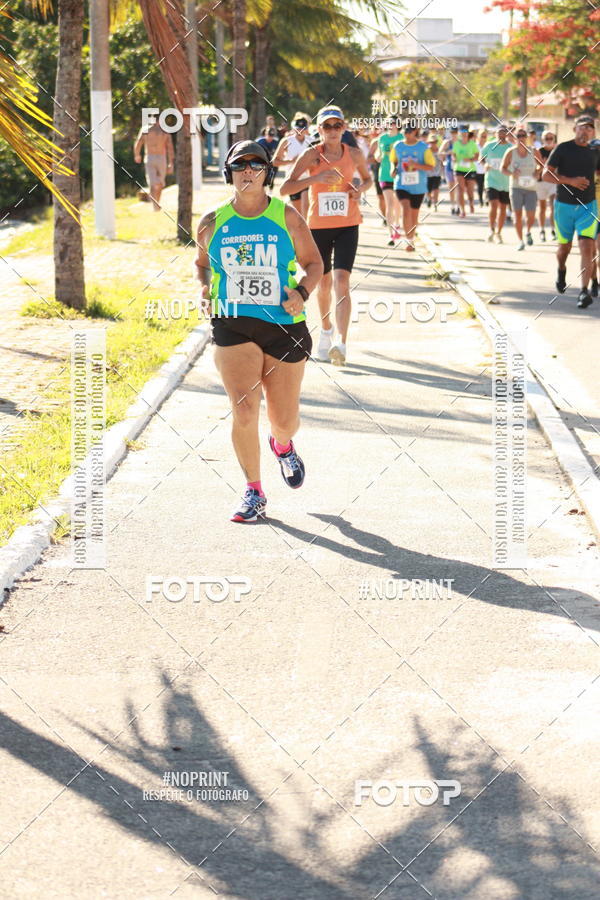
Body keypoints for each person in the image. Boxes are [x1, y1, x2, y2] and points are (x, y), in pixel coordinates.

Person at [194, 140, 323, 522]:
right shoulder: (212, 221)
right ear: (229, 173)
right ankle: (253, 491)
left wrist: (302, 293)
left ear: (268, 172)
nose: (248, 171)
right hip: (233, 322)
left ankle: (282, 445)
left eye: (256, 165)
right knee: (244, 409)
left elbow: (314, 264)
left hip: (284, 325)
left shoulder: (288, 217)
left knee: (285, 419)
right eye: (240, 165)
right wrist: (202, 287)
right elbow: (200, 263)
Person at [280, 105, 372, 366]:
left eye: (337, 126)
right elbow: (286, 188)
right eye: (327, 126)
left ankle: (341, 343)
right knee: (323, 283)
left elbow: (367, 180)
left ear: (344, 128)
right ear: (318, 130)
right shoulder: (311, 155)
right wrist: (316, 177)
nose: (332, 131)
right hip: (318, 226)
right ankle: (326, 329)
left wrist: (358, 189)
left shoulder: (354, 154)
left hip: (348, 224)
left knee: (342, 280)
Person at [543, 114, 600, 308]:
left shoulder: (596, 150)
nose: (585, 131)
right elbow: (546, 175)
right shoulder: (563, 148)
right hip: (564, 207)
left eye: (589, 128)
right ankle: (561, 269)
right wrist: (571, 181)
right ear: (575, 129)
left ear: (593, 132)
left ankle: (584, 292)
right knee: (564, 248)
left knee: (587, 247)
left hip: (588, 207)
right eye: (582, 127)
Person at [390, 123, 435, 250]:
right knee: (405, 208)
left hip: (418, 185)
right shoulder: (398, 146)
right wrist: (393, 169)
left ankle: (412, 239)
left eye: (409, 131)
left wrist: (416, 165)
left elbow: (430, 166)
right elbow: (394, 160)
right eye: (404, 130)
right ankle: (408, 240)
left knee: (414, 214)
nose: (406, 133)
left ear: (415, 131)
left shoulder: (423, 147)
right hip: (401, 184)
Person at [502, 127, 543, 250]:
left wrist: (538, 172)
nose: (521, 138)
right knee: (517, 214)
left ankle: (528, 231)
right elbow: (503, 168)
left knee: (531, 215)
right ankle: (520, 241)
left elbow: (542, 165)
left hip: (531, 187)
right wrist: (511, 174)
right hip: (516, 187)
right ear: (515, 138)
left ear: (527, 138)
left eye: (523, 135)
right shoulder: (510, 152)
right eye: (518, 136)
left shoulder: (534, 151)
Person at [271, 113, 311, 218]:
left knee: (306, 208)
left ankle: (310, 232)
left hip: (308, 179)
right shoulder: (286, 141)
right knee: (299, 216)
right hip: (293, 180)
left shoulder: (311, 141)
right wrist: (291, 161)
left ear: (306, 129)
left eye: (302, 129)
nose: (300, 131)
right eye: (298, 129)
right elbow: (275, 161)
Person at [133, 116, 174, 211]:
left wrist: (171, 163)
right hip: (150, 157)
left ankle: (156, 203)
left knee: (159, 183)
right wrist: (137, 154)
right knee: (153, 183)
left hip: (160, 157)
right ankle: (155, 205)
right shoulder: (146, 129)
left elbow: (169, 147)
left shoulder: (164, 131)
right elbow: (138, 143)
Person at [480, 124, 512, 243]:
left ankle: (499, 232)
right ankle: (491, 229)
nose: (501, 135)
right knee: (493, 204)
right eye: (499, 132)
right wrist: (485, 165)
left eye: (503, 132)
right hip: (491, 180)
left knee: (503, 208)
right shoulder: (489, 146)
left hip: (506, 182)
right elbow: (481, 158)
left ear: (507, 134)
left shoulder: (510, 147)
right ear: (495, 134)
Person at [377, 118, 402, 245]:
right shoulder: (382, 138)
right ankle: (390, 234)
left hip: (399, 174)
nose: (391, 125)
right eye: (389, 123)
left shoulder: (402, 137)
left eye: (393, 123)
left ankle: (397, 224)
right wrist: (379, 156)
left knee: (397, 203)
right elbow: (378, 155)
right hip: (385, 174)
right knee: (389, 204)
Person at [452, 125, 479, 217]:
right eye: (462, 133)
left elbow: (477, 156)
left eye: (465, 132)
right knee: (460, 190)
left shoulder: (472, 143)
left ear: (468, 134)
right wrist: (454, 158)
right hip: (459, 169)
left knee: (470, 191)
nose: (463, 134)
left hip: (470, 169)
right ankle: (462, 210)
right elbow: (453, 154)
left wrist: (470, 159)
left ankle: (471, 203)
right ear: (459, 134)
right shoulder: (456, 144)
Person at [537, 131, 557, 241]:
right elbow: (535, 167)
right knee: (542, 207)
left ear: (554, 139)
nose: (549, 139)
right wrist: (541, 166)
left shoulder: (557, 150)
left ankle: (553, 230)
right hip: (541, 181)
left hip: (553, 182)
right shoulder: (539, 151)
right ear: (543, 139)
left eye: (551, 137)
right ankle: (542, 230)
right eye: (546, 138)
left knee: (553, 206)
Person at [367, 126, 386, 223]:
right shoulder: (375, 142)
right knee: (381, 196)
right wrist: (378, 158)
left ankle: (393, 218)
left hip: (392, 173)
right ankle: (385, 218)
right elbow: (368, 159)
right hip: (378, 172)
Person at [440, 127, 459, 214]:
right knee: (451, 187)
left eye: (455, 132)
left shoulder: (461, 142)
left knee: (459, 187)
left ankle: (458, 205)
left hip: (459, 167)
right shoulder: (447, 142)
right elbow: (440, 153)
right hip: (449, 167)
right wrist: (448, 152)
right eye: (452, 132)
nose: (454, 134)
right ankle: (452, 205)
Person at [425, 133, 443, 210]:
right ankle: (429, 199)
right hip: (428, 173)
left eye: (435, 142)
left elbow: (442, 161)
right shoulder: (426, 150)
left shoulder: (439, 150)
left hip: (437, 173)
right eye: (431, 142)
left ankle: (435, 203)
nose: (433, 144)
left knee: (436, 188)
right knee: (428, 190)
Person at [475, 128, 488, 207]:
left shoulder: (488, 146)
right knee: (480, 186)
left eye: (485, 136)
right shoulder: (475, 146)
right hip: (477, 169)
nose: (483, 138)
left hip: (486, 169)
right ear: (478, 137)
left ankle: (487, 198)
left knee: (486, 185)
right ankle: (480, 200)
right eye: (482, 136)